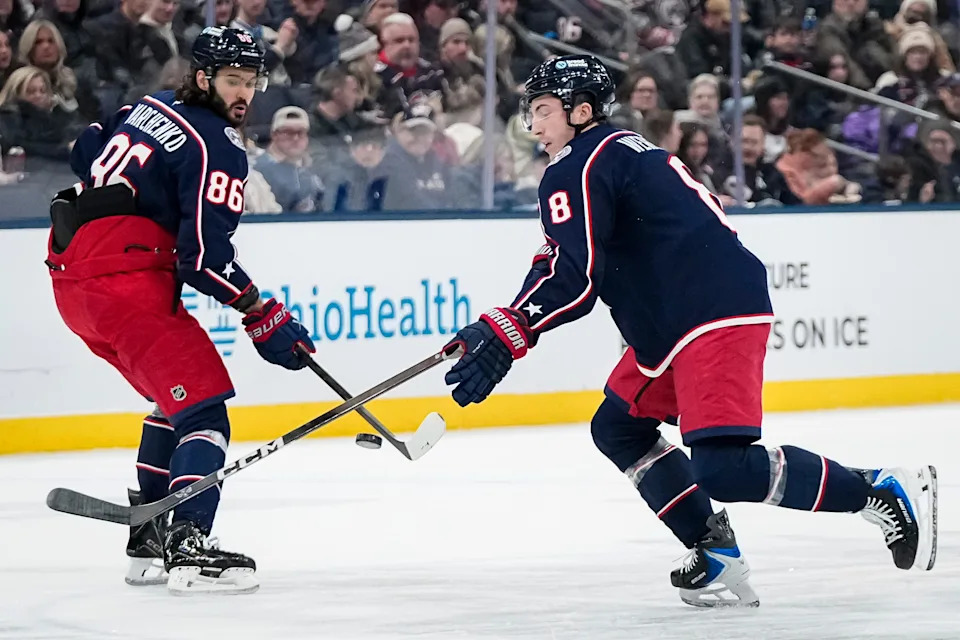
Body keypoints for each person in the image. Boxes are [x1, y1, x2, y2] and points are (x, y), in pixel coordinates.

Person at [441, 54, 938, 608]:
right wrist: (501, 322)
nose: (533, 124)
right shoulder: (617, 150)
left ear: (580, 112)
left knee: (724, 468)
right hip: (679, 317)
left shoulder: (576, 165)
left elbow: (576, 277)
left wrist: (511, 331)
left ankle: (876, 491)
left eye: (542, 110)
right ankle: (714, 548)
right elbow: (565, 257)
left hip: (707, 315)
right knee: (619, 428)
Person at [45, 26, 315, 595]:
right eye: (232, 81)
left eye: (252, 81)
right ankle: (189, 545)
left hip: (75, 280)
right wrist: (261, 311)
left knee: (175, 399)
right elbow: (204, 259)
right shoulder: (218, 143)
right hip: (126, 284)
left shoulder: (147, 105)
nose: (244, 94)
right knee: (206, 414)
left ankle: (147, 541)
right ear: (201, 78)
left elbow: (85, 149)